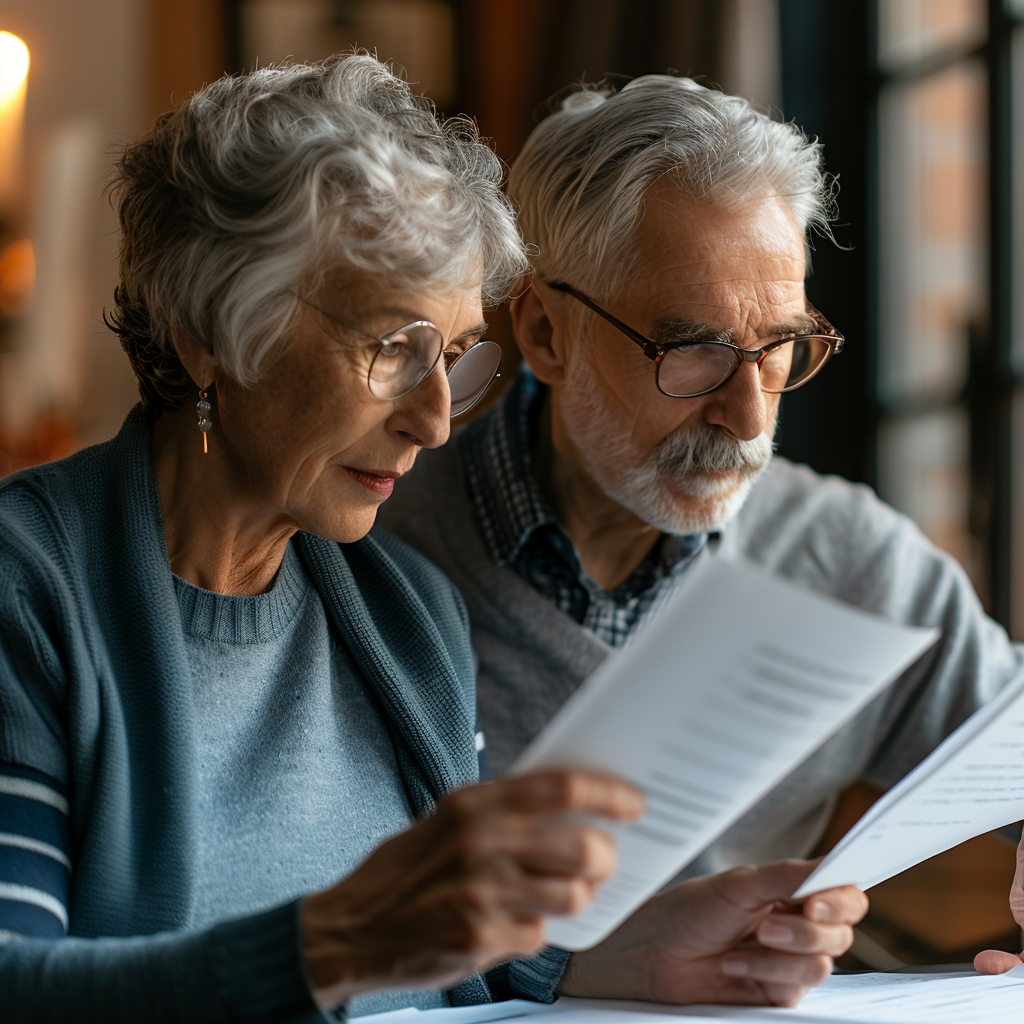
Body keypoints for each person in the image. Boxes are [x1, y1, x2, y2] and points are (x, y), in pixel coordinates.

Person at [0, 57, 867, 1022]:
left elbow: (467, 964)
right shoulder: (30, 588)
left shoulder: (407, 613)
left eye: (453, 358)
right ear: (208, 329)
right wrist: (332, 944)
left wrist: (637, 952)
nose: (436, 418)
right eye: (393, 350)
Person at [376, 74, 1024, 963]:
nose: (749, 418)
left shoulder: (848, 559)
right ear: (544, 333)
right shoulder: (373, 549)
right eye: (692, 352)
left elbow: (1011, 743)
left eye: (779, 347)